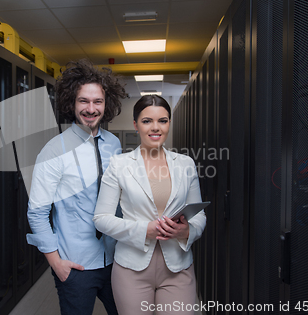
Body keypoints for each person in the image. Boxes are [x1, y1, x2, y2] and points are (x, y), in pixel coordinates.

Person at [26, 59, 127, 315]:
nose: (91, 109)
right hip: (76, 266)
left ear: (107, 104)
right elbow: (37, 212)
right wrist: (56, 263)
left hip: (116, 260)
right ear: (72, 102)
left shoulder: (113, 144)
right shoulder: (53, 151)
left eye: (97, 101)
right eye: (84, 101)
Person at [93, 95, 206, 315]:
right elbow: (101, 219)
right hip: (131, 269)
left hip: (178, 267)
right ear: (135, 125)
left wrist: (187, 230)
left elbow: (199, 215)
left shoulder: (186, 164)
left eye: (162, 120)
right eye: (147, 121)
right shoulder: (119, 165)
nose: (155, 127)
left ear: (169, 123)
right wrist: (145, 230)